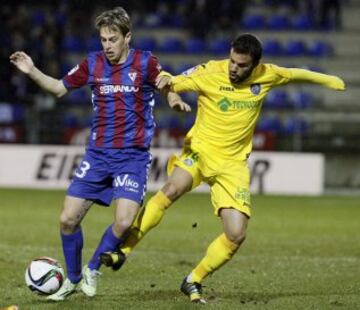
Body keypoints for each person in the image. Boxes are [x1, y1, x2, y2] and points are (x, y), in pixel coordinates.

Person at [100, 33, 346, 304]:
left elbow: (294, 73)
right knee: (172, 188)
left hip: (232, 165)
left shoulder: (267, 75)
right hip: (200, 152)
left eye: (241, 65)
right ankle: (123, 250)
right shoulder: (210, 70)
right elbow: (173, 80)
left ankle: (193, 279)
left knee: (237, 233)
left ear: (255, 65)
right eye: (232, 61)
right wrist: (169, 87)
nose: (233, 68)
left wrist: (327, 80)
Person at [10, 7, 188, 302]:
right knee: (67, 219)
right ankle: (73, 279)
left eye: (113, 39)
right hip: (98, 156)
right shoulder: (92, 64)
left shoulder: (145, 62)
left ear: (127, 37)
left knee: (124, 222)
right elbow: (58, 88)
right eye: (103, 39)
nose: (107, 45)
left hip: (132, 157)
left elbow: (166, 85)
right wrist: (31, 71)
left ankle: (93, 269)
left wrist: (175, 99)